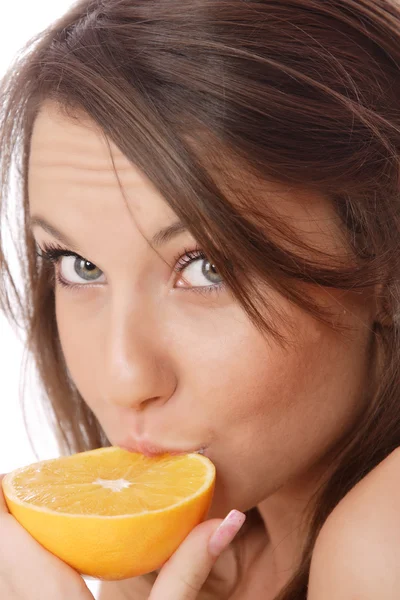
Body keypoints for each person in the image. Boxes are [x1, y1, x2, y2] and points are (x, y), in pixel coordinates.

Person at [1, 0, 400, 598]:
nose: (125, 378)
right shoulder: (182, 567)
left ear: (386, 268)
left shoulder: (382, 543)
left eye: (208, 267)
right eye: (81, 267)